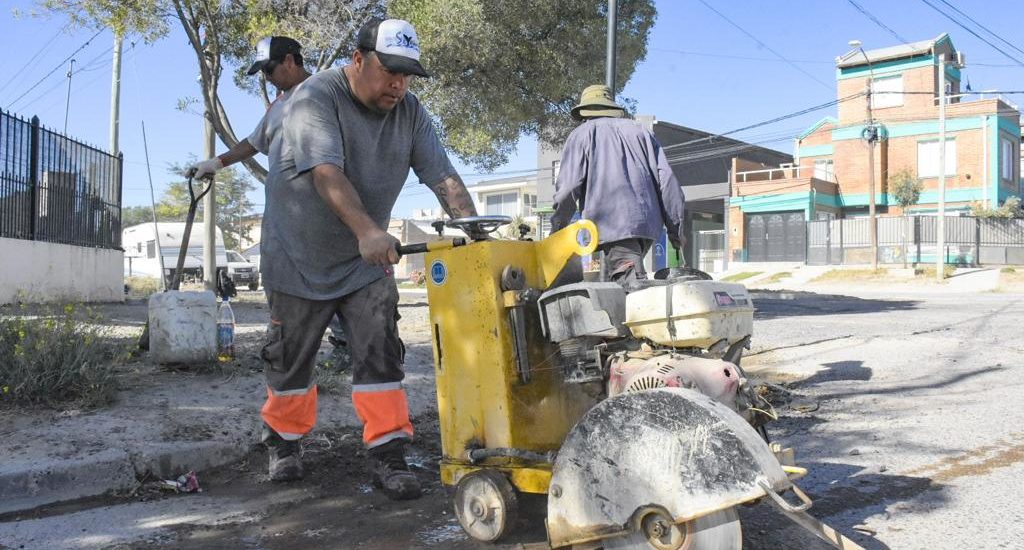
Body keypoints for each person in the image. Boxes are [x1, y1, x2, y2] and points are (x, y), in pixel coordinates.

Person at [258, 17, 483, 500]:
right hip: (297, 257)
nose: (398, 85)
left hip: (364, 263)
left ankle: (388, 451)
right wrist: (367, 231)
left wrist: (478, 236)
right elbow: (326, 174)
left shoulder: (410, 112)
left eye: (407, 75)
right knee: (291, 362)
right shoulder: (314, 98)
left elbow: (443, 178)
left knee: (380, 351)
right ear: (358, 60)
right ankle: (285, 443)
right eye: (389, 72)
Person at [185, 37, 351, 371]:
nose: (267, 77)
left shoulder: (325, 91)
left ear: (290, 61)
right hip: (284, 215)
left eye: (270, 69)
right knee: (279, 274)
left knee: (330, 276)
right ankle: (284, 342)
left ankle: (347, 345)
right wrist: (215, 163)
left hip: (321, 211)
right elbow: (253, 142)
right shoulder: (278, 104)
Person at [550, 84, 686, 285]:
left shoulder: (581, 134)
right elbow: (667, 182)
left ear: (584, 112)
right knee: (608, 292)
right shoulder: (642, 133)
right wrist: (676, 233)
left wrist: (557, 230)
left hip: (612, 227)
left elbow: (568, 187)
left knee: (631, 292)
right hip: (646, 228)